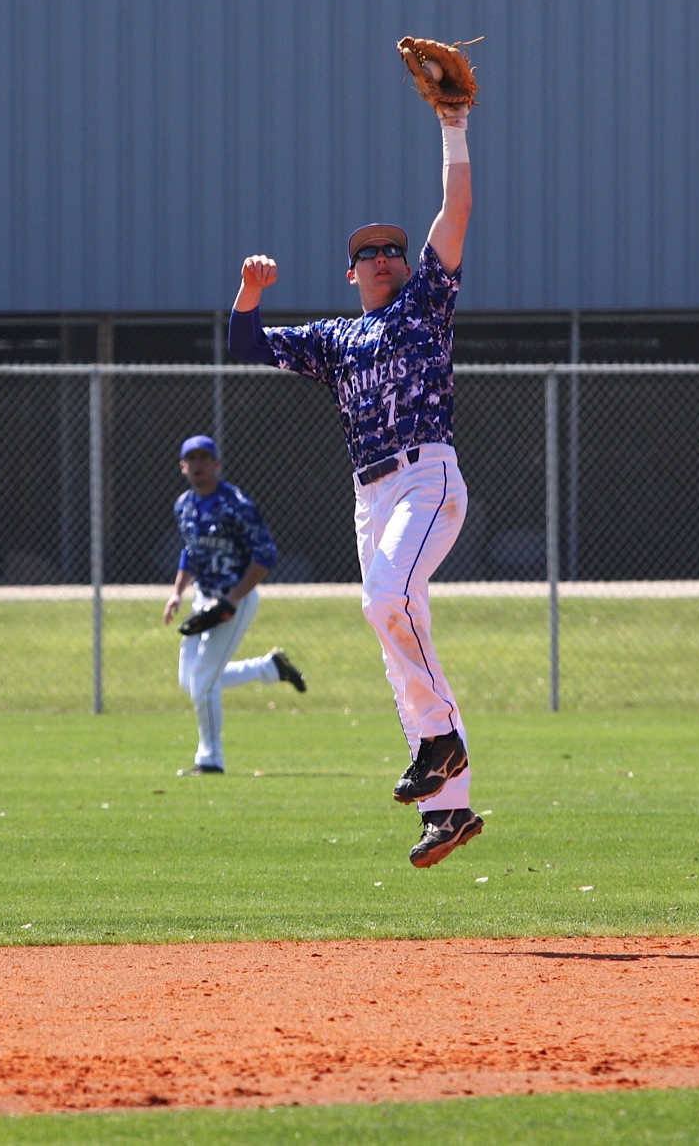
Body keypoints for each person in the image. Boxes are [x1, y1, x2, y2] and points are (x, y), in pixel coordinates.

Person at [225, 88, 480, 868]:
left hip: (427, 476)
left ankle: (444, 741)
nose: (383, 257)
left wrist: (452, 126)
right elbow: (247, 346)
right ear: (349, 271)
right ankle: (449, 809)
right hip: (372, 496)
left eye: (392, 249)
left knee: (384, 601)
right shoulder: (336, 339)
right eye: (368, 252)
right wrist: (250, 294)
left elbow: (458, 207)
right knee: (397, 633)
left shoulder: (424, 305)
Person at [163, 434, 307, 775]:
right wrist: (177, 592)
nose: (197, 465)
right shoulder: (184, 504)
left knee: (204, 681)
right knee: (191, 680)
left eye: (204, 458)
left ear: (216, 464)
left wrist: (232, 598)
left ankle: (210, 759)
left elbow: (265, 554)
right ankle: (270, 668)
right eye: (191, 459)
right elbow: (191, 551)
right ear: (183, 466)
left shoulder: (236, 504)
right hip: (203, 597)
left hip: (235, 598)